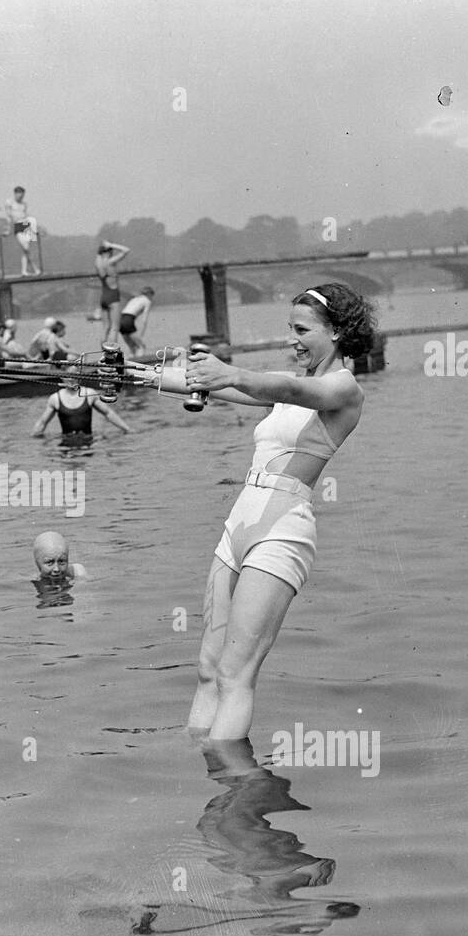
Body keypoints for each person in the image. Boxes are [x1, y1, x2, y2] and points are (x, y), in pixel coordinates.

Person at [184, 283, 375, 742]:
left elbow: (286, 385)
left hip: (282, 530)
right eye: (290, 328)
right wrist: (133, 376)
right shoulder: (289, 390)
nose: (292, 339)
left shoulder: (341, 388)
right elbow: (232, 388)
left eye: (302, 330)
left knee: (235, 674)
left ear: (335, 332)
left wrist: (227, 370)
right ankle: (194, 773)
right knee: (209, 669)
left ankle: (233, 788)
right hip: (240, 523)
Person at [31, 366, 132, 441]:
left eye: (74, 376)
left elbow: (108, 413)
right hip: (66, 443)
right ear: (62, 378)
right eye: (68, 376)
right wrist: (33, 437)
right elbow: (43, 422)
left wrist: (127, 429)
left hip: (88, 441)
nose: (71, 379)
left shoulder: (89, 394)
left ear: (79, 378)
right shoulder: (55, 399)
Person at [95, 240, 130, 347]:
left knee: (106, 327)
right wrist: (111, 245)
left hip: (103, 297)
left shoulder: (98, 263)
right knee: (115, 327)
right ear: (109, 252)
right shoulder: (110, 262)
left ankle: (103, 351)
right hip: (113, 296)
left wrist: (102, 248)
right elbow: (126, 250)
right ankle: (113, 352)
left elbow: (98, 255)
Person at [3, 186, 40, 276]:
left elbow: (27, 215)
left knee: (26, 250)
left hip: (26, 225)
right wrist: (8, 230)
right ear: (15, 194)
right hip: (17, 225)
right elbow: (9, 217)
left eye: (22, 195)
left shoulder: (24, 204)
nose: (21, 197)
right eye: (19, 195)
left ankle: (25, 271)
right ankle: (35, 268)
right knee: (26, 247)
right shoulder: (9, 203)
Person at [120, 286, 155, 359]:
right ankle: (140, 363)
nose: (152, 298)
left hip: (120, 319)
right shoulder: (147, 301)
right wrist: (141, 334)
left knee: (132, 346)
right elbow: (144, 319)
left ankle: (129, 362)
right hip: (128, 320)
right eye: (152, 295)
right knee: (141, 346)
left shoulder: (134, 299)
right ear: (149, 294)